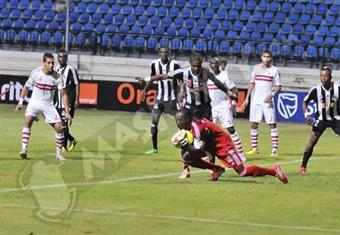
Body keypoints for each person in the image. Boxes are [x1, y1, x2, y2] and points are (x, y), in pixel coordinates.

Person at [173, 110, 288, 183]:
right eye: (176, 120)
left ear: (188, 119)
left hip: (222, 144)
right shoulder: (189, 126)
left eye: (180, 120)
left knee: (243, 172)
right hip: (210, 143)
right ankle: (216, 169)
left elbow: (197, 150)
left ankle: (273, 170)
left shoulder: (197, 129)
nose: (178, 123)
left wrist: (185, 145)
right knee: (187, 157)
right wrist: (185, 147)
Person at [15, 52, 71, 160]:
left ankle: (59, 154)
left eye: (52, 63)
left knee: (59, 128)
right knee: (27, 120)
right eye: (49, 63)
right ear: (43, 63)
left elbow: (64, 94)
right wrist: (20, 102)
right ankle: (24, 150)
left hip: (48, 105)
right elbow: (26, 87)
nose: (51, 65)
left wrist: (67, 112)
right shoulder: (36, 73)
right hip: (34, 103)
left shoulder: (58, 77)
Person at [135, 46, 181, 154]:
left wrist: (181, 92)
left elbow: (180, 79)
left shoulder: (175, 64)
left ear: (169, 53)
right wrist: (145, 90)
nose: (164, 54)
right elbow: (152, 78)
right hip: (160, 98)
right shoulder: (154, 64)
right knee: (154, 122)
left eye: (166, 52)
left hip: (172, 98)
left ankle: (187, 145)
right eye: (162, 52)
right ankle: (154, 148)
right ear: (159, 53)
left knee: (180, 123)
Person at [299, 66, 340, 175]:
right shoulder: (316, 89)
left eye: (326, 76)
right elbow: (304, 102)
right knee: (312, 141)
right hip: (321, 119)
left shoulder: (337, 87)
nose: (323, 78)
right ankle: (303, 166)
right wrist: (306, 114)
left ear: (330, 77)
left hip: (336, 118)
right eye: (321, 76)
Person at [241, 50, 282, 157]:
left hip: (268, 101)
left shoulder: (275, 70)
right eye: (264, 56)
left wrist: (272, 95)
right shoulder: (255, 68)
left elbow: (278, 86)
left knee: (272, 124)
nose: (266, 58)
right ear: (261, 57)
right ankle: (255, 148)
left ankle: (274, 150)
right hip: (256, 100)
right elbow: (251, 83)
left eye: (268, 57)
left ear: (271, 58)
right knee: (254, 124)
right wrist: (246, 99)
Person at [208, 56, 245, 160]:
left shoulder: (224, 76)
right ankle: (209, 154)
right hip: (211, 107)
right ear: (209, 65)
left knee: (231, 129)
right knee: (209, 131)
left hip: (223, 106)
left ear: (219, 64)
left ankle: (241, 153)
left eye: (216, 63)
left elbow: (234, 90)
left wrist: (233, 104)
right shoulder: (207, 76)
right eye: (212, 63)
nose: (214, 65)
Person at [55, 48, 79, 152]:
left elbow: (77, 84)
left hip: (69, 98)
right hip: (58, 100)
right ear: (58, 58)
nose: (62, 58)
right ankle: (71, 139)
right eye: (60, 56)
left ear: (67, 58)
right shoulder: (56, 68)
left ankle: (63, 146)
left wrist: (77, 99)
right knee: (59, 124)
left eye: (64, 57)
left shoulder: (71, 69)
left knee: (64, 122)